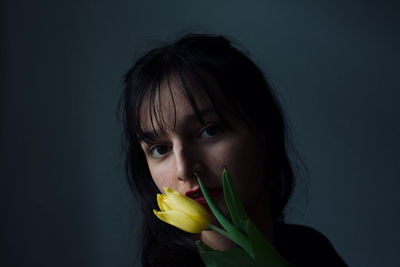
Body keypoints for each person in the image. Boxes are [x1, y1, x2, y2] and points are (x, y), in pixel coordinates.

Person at [119, 33, 347, 267]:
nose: (184, 169)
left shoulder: (312, 251)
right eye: (160, 149)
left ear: (262, 130)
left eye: (209, 131)